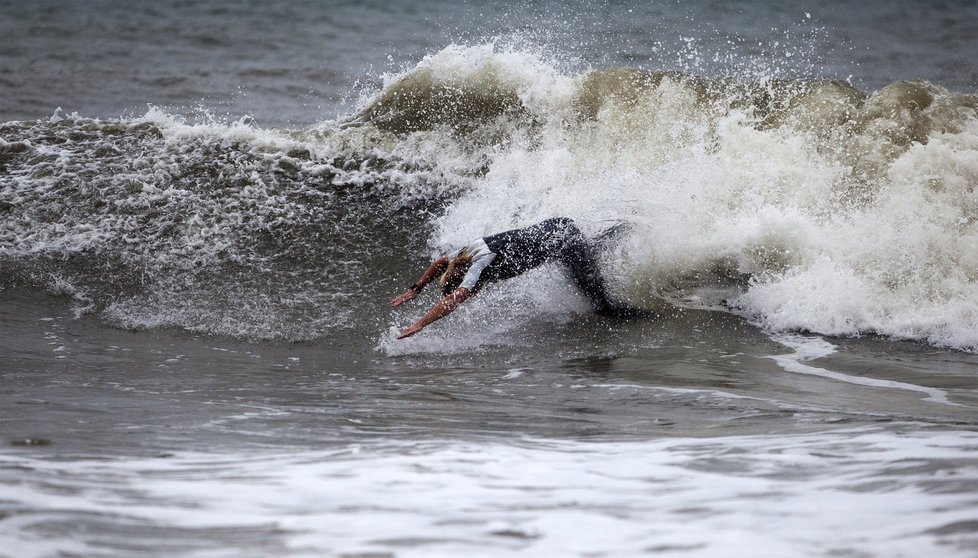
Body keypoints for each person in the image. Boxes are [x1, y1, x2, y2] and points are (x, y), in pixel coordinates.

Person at [391, 217, 642, 339]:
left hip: (564, 243)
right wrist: (416, 288)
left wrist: (420, 324)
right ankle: (623, 229)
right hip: (559, 226)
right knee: (590, 254)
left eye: (469, 289)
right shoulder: (463, 254)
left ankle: (647, 317)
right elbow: (440, 263)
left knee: (603, 306)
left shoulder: (479, 266)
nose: (473, 293)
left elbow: (455, 299)